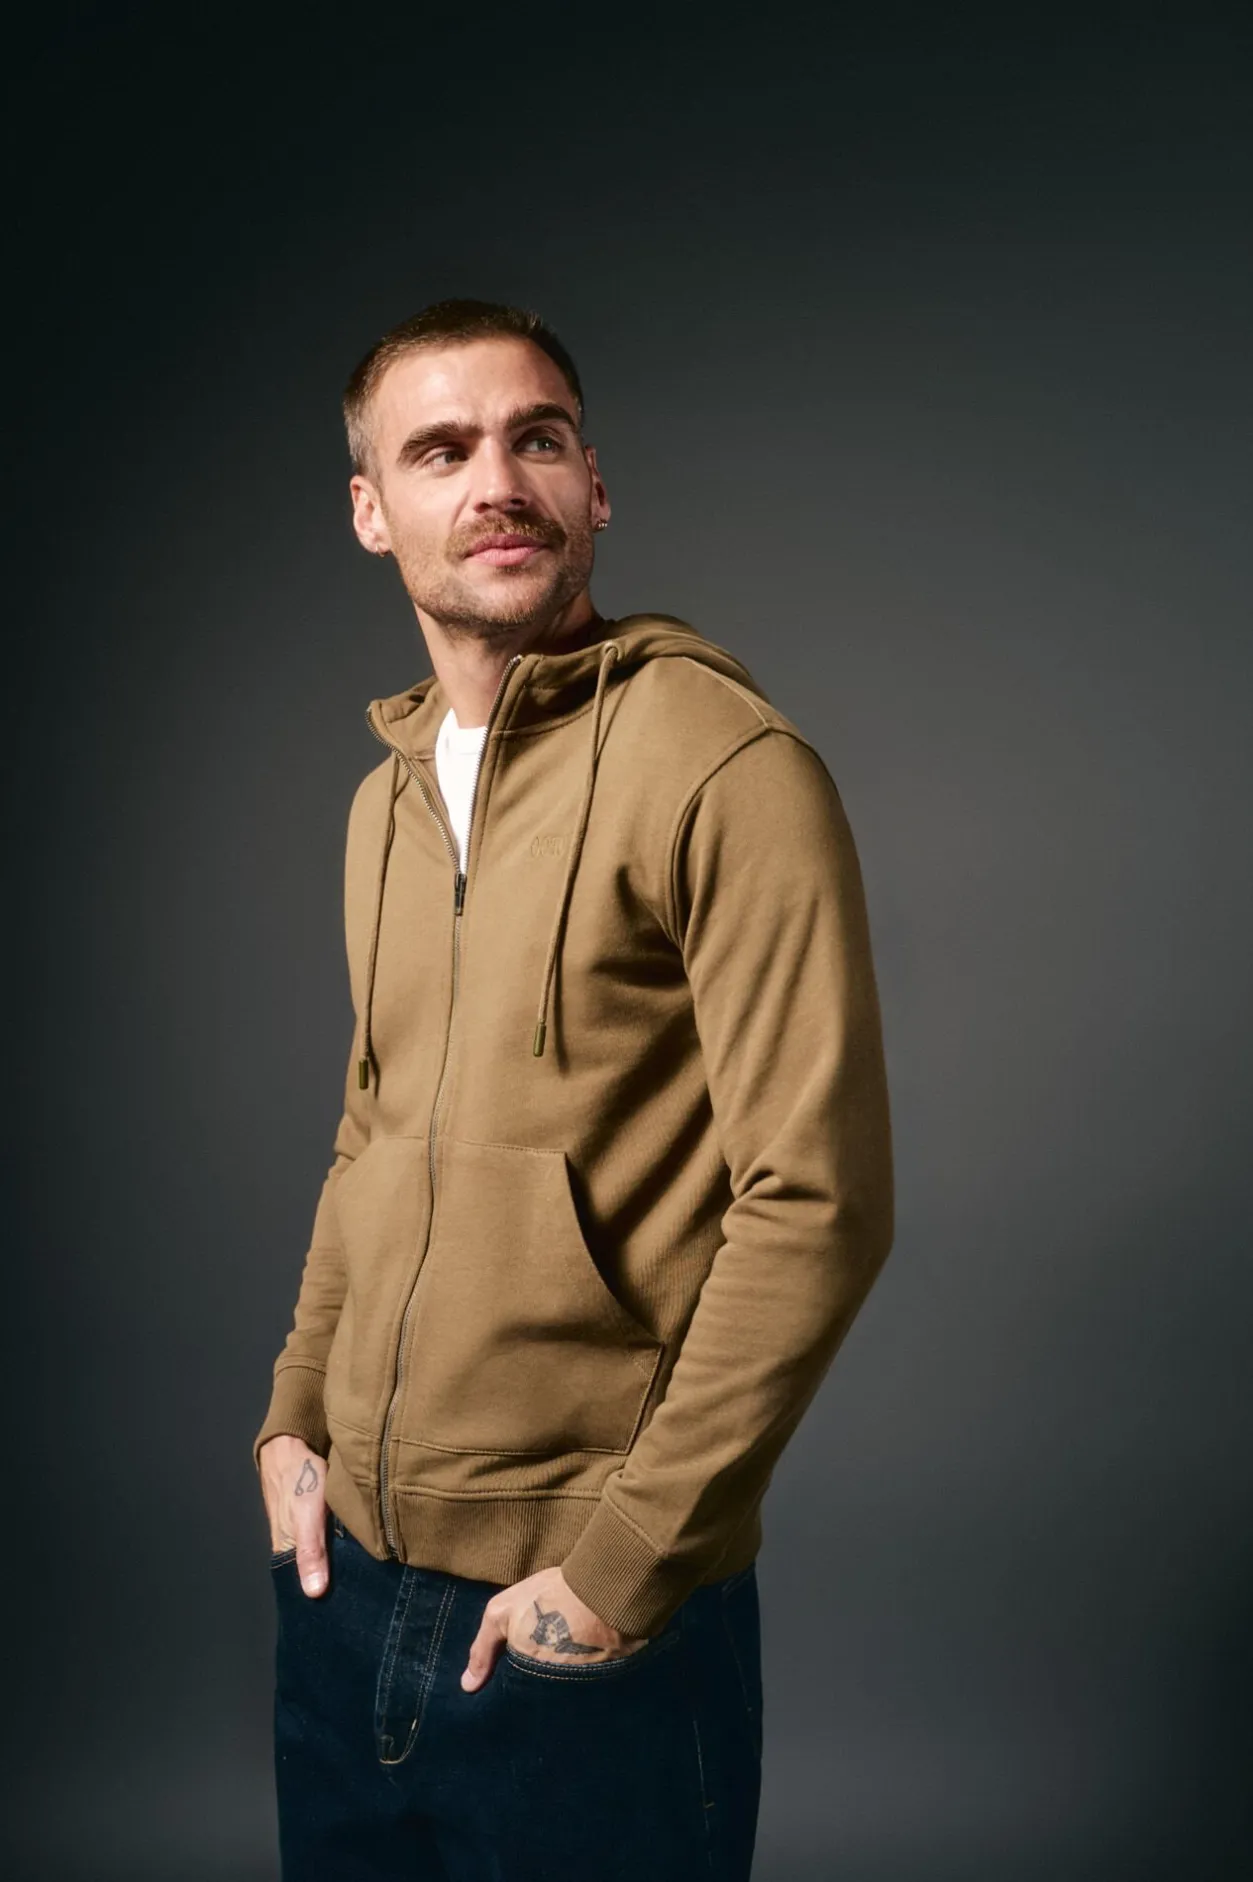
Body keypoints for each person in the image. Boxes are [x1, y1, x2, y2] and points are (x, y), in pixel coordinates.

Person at [254, 296, 895, 1881]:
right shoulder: (383, 807)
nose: (498, 482)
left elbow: (818, 1202)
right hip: (344, 1596)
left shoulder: (724, 766)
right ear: (370, 509)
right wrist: (293, 1413)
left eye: (535, 439)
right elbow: (369, 1134)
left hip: (580, 1621)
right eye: (441, 450)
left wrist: (623, 1563)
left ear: (593, 485)